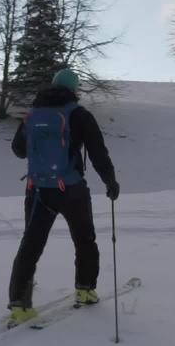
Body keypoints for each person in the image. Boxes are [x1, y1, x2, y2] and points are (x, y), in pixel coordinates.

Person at [7, 68, 120, 327]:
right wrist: (110, 181)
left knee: (31, 246)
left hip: (37, 190)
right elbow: (97, 152)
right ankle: (85, 289)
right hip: (72, 190)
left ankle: (19, 305)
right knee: (84, 239)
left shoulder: (32, 115)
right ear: (74, 89)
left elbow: (18, 150)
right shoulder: (79, 115)